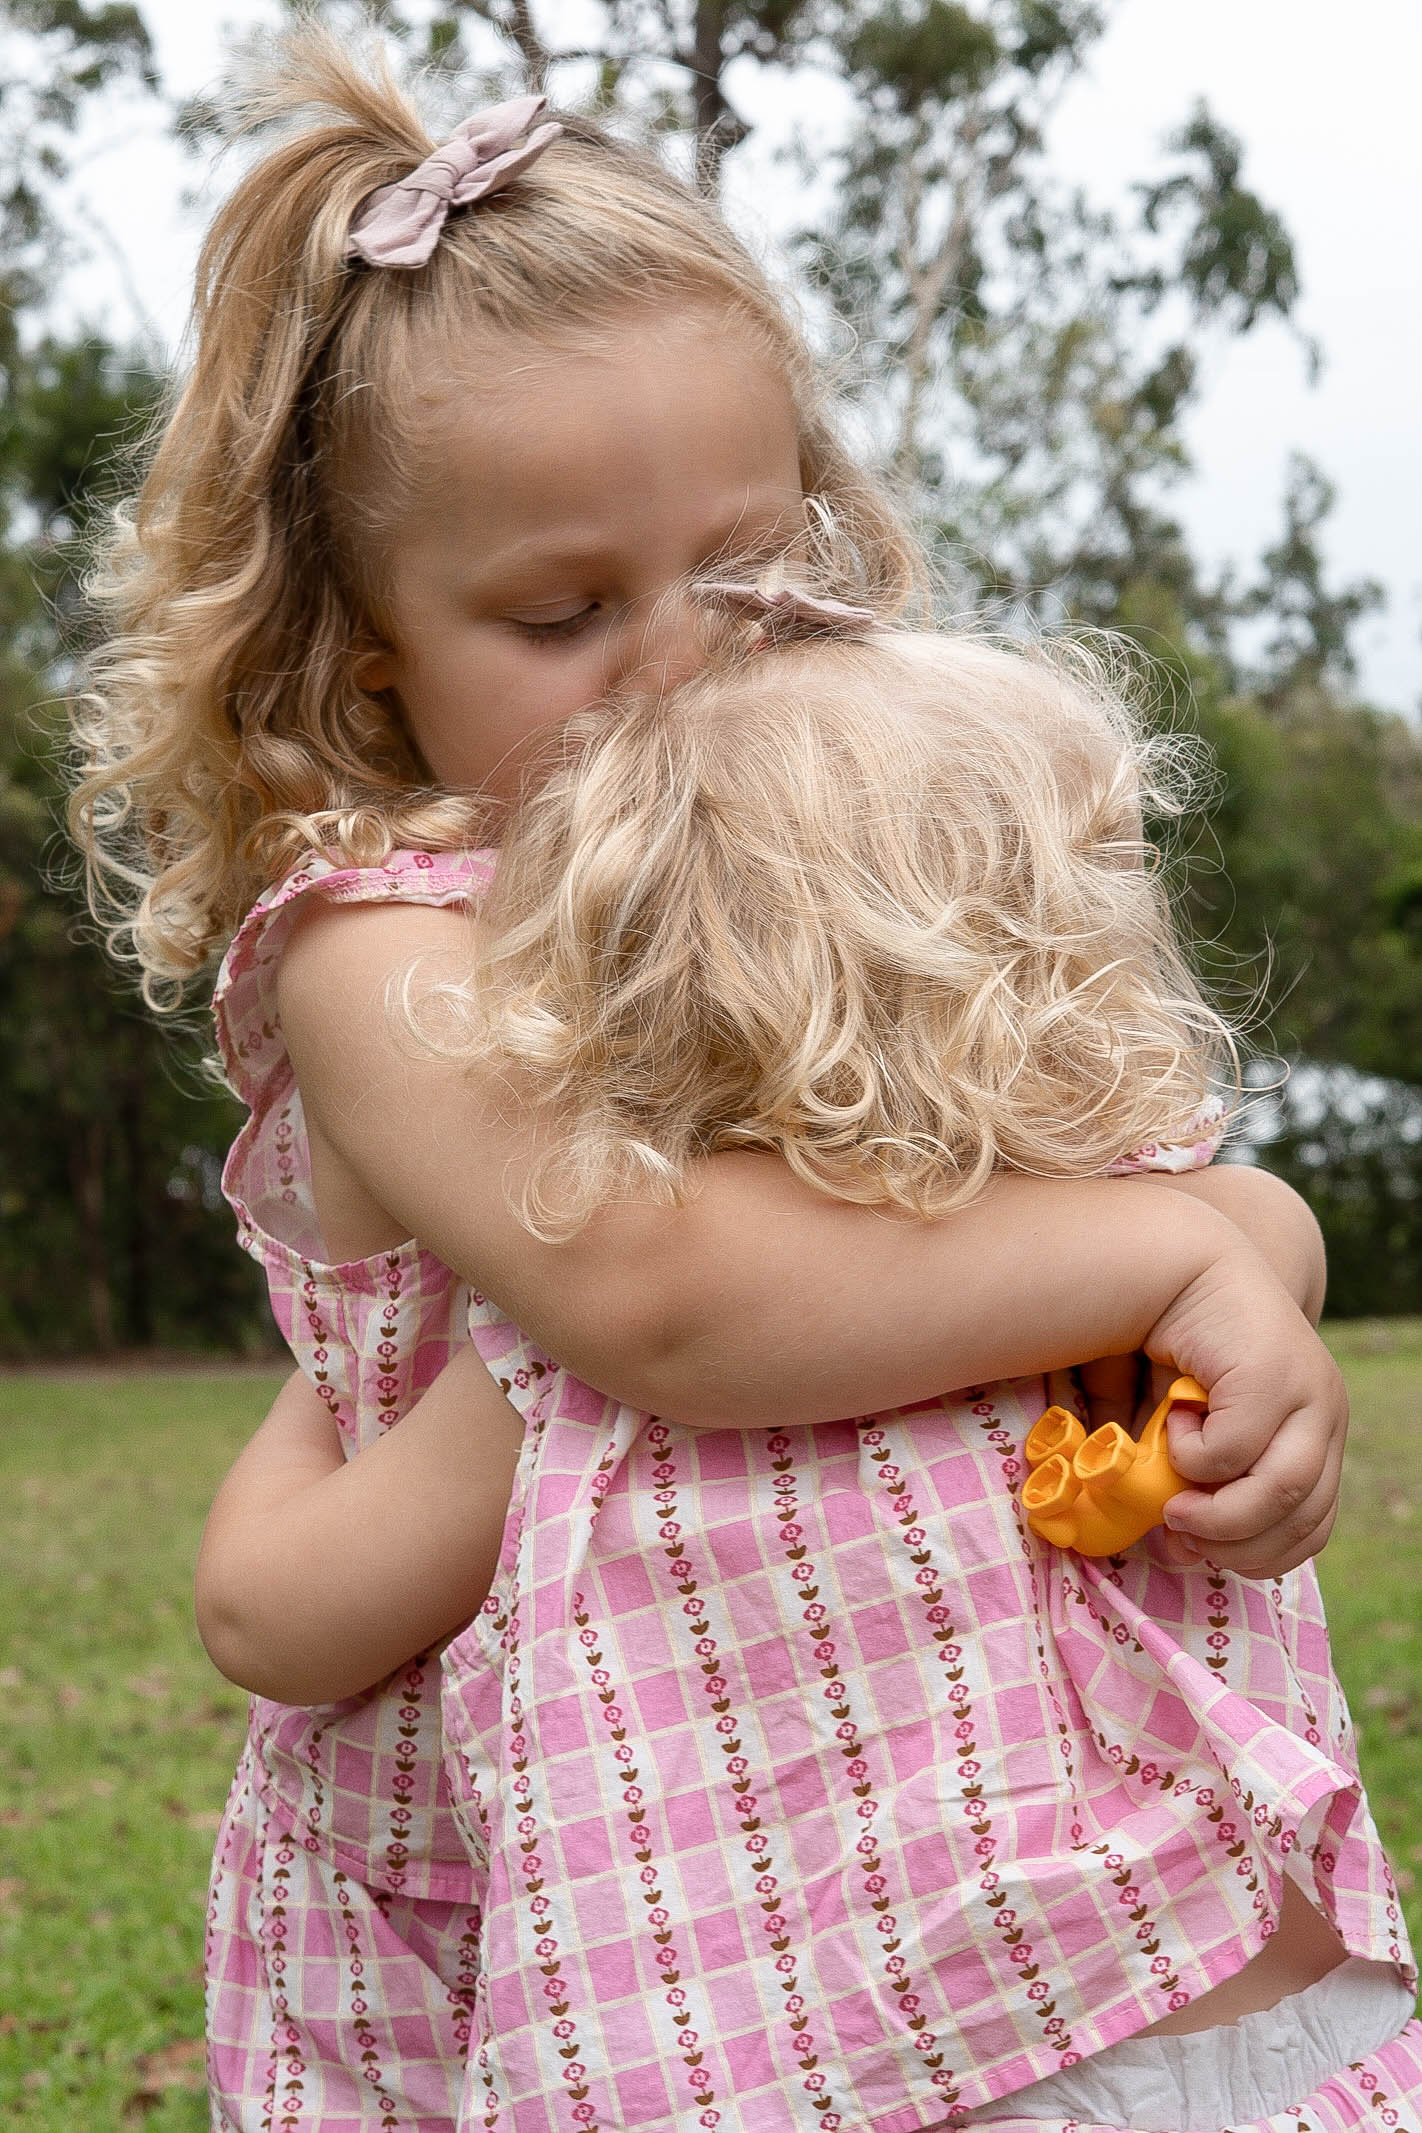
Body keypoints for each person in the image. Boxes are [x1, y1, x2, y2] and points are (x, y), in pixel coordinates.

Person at [67, 22, 1387, 2132]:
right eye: (568, 607)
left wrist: (1247, 1256)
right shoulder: (392, 948)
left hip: (975, 1811)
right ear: (367, 639)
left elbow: (1119, 1143)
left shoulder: (873, 840)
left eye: (755, 563)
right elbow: (666, 1298)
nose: (687, 654)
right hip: (639, 1875)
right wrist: (1152, 1248)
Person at [194, 607, 1420, 2133]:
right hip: (1240, 2016)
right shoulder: (1160, 1249)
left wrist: (357, 1375)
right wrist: (1245, 1259)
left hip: (860, 2072)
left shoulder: (585, 1369)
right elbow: (1255, 1231)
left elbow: (268, 1606)